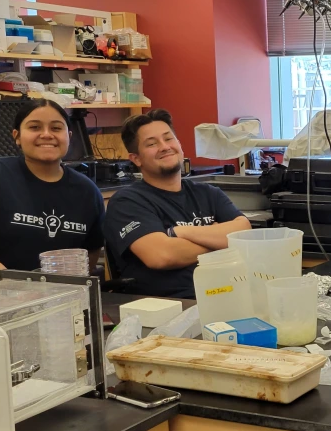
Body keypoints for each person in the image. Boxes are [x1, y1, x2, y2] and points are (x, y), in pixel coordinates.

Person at [0, 99, 105, 286]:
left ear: (69, 136)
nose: (46, 135)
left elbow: (89, 253)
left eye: (56, 128)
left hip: (45, 299)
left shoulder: (87, 191)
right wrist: (3, 279)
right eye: (34, 127)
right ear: (17, 136)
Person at [104, 109, 250, 298]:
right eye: (152, 143)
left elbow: (245, 232)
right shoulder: (127, 202)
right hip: (169, 305)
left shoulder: (208, 193)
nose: (164, 147)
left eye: (169, 138)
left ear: (179, 145)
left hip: (227, 296)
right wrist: (222, 242)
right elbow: (162, 255)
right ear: (136, 159)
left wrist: (180, 233)